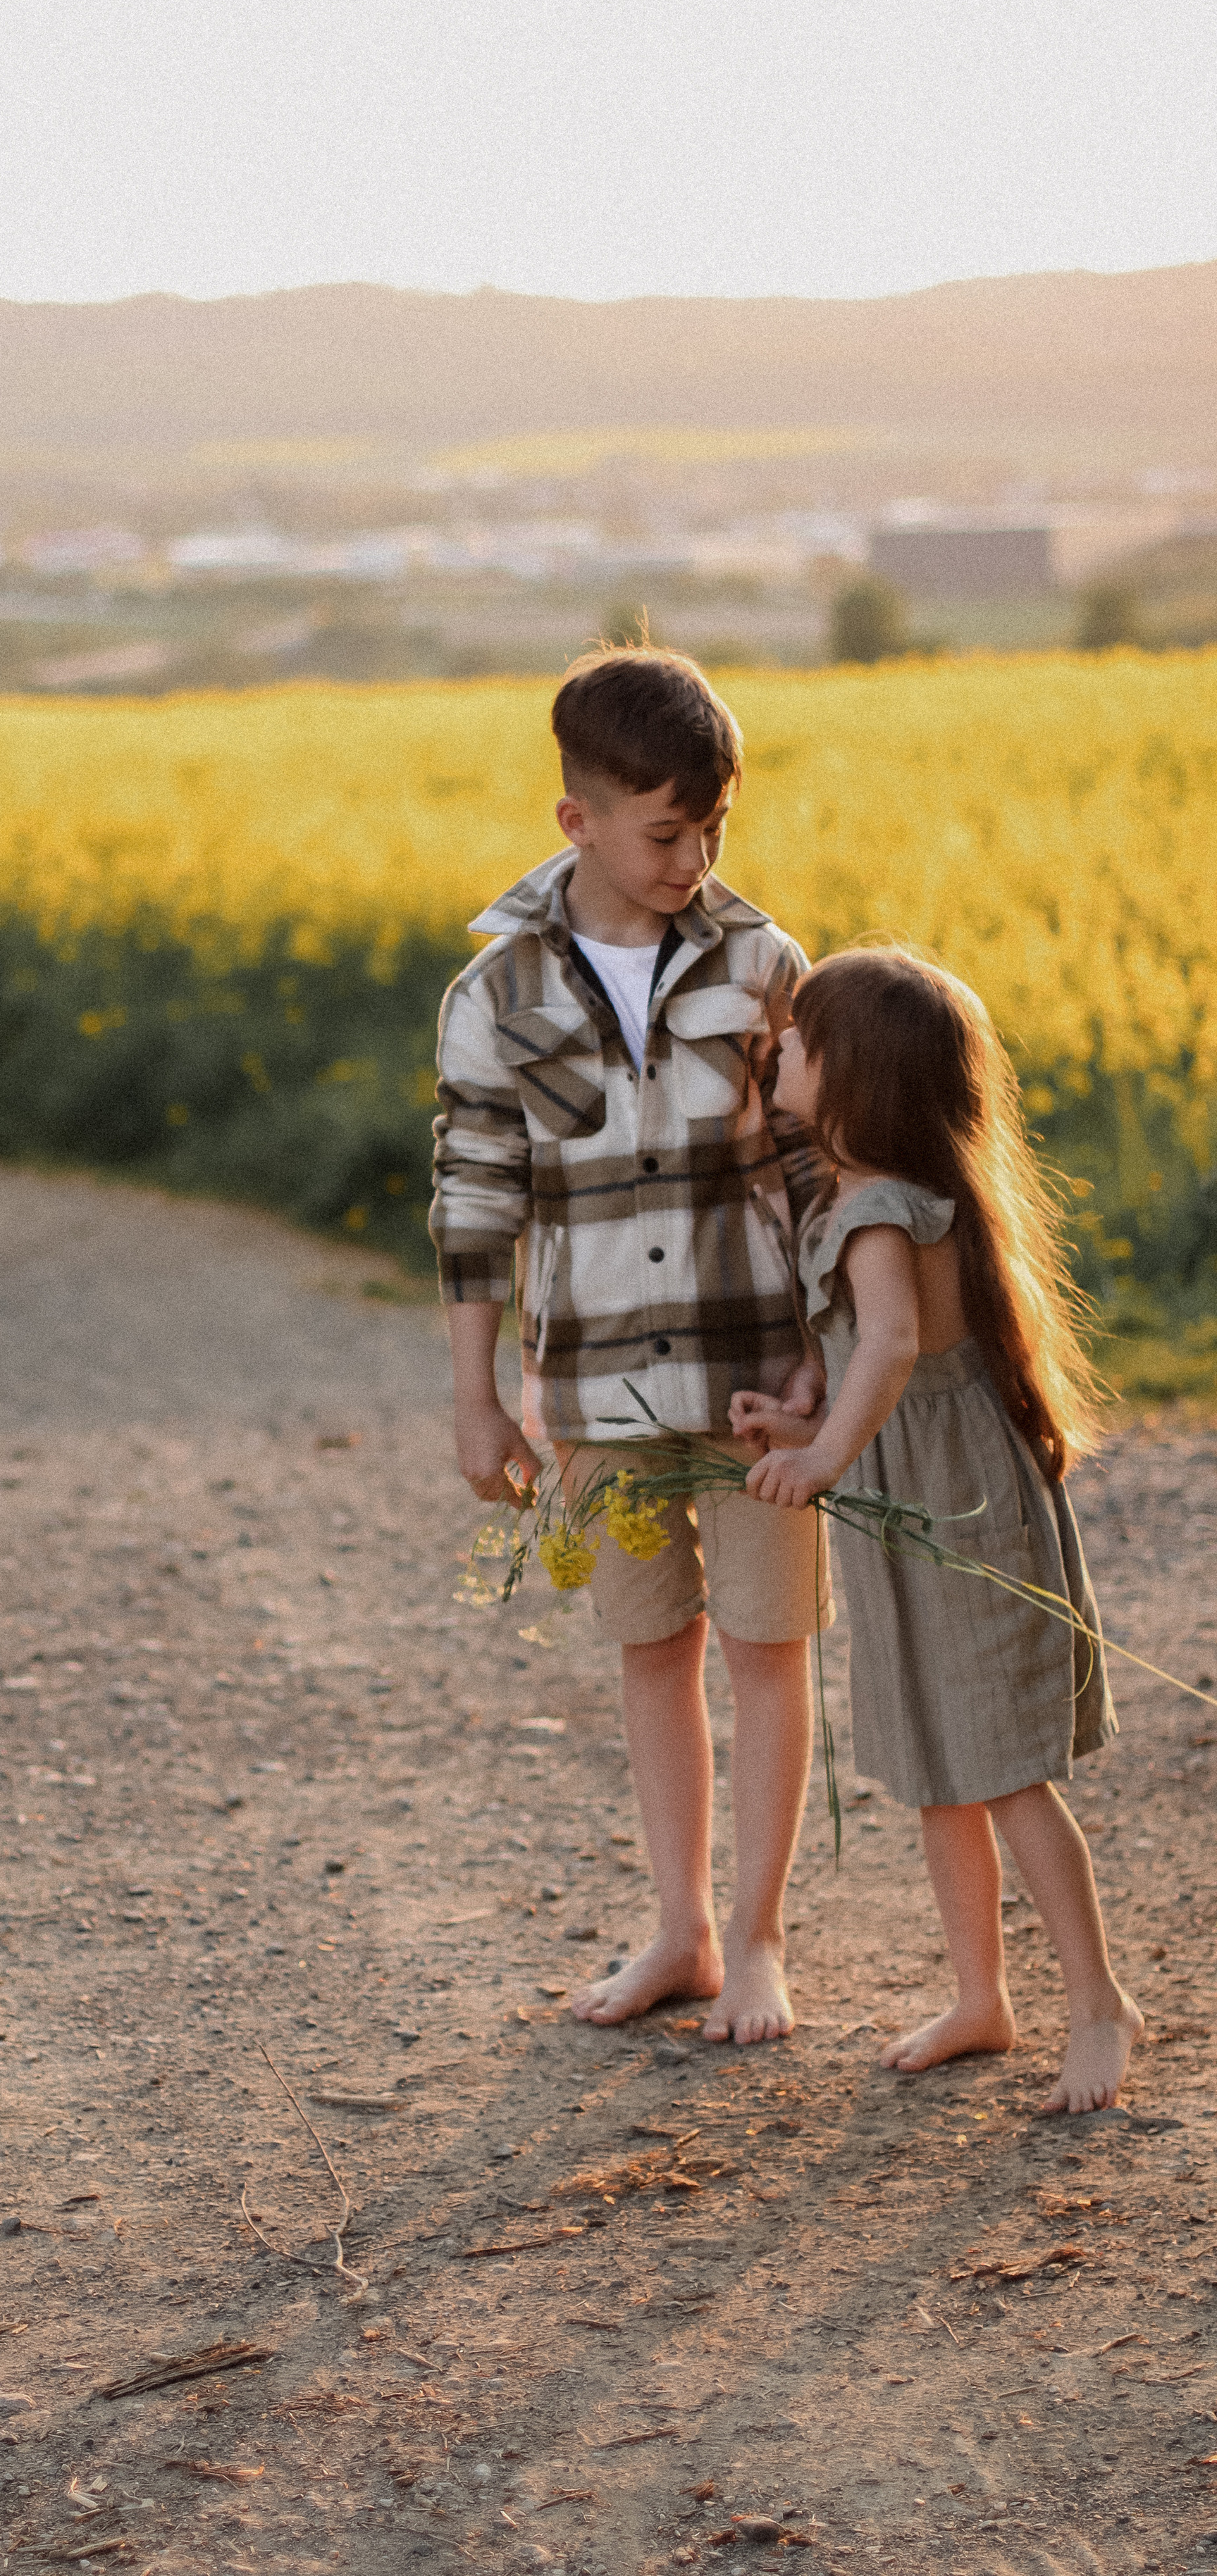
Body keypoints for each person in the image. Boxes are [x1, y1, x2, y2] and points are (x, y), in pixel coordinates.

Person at [430, 646, 830, 2046]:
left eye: (712, 829)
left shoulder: (764, 962)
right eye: (665, 832)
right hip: (594, 1388)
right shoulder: (492, 995)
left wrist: (823, 1364)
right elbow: (475, 1202)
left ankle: (764, 1940)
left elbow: (810, 1171)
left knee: (768, 1648)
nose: (692, 857)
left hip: (757, 1380)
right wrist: (477, 1398)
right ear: (578, 821)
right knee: (649, 1649)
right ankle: (684, 1932)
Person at [732, 947, 1139, 2114]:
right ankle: (981, 1996)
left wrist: (821, 1458)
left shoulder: (876, 1210)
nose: (780, 1051)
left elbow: (896, 1346)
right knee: (939, 1766)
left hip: (952, 1504)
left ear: (856, 1079)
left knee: (1006, 1771)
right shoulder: (866, 1201)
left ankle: (1100, 2003)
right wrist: (797, 1411)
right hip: (916, 1497)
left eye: (800, 1041)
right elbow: (864, 1355)